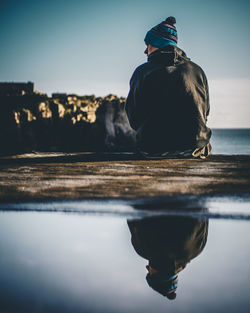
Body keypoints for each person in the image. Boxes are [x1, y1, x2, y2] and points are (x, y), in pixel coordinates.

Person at [125, 16, 211, 159]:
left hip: (152, 150)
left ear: (158, 44)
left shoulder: (142, 72)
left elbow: (133, 118)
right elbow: (205, 112)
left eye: (148, 45)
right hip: (193, 150)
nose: (146, 51)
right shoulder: (197, 71)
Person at [127, 214, 208, 299]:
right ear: (157, 275)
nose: (147, 267)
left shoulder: (197, 250)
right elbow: (132, 216)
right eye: (150, 273)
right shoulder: (143, 249)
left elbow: (204, 213)